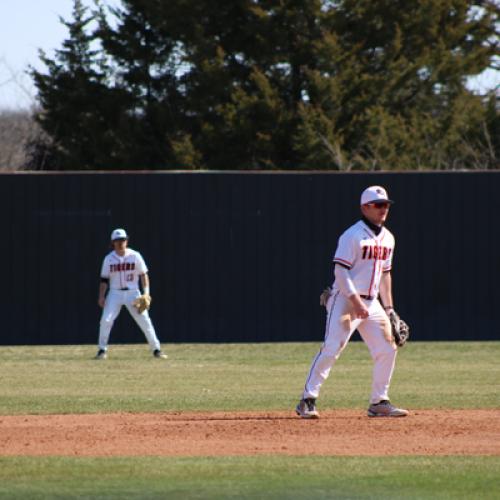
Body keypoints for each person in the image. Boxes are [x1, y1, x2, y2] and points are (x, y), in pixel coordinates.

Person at [296, 186, 408, 418]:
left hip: (373, 302)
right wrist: (356, 302)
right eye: (378, 205)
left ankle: (379, 402)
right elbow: (340, 271)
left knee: (388, 348)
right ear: (365, 207)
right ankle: (307, 399)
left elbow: (386, 274)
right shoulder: (352, 235)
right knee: (332, 348)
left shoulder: (388, 238)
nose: (383, 209)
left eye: (386, 204)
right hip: (346, 299)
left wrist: (389, 309)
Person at [95, 228, 167, 360]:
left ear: (127, 240)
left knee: (145, 320)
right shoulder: (109, 259)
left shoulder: (135, 255)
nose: (120, 242)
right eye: (117, 240)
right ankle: (101, 350)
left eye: (123, 239)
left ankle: (156, 349)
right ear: (113, 242)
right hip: (114, 293)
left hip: (133, 293)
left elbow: (143, 274)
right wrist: (101, 296)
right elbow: (104, 279)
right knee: (106, 320)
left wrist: (146, 293)